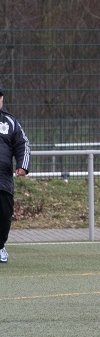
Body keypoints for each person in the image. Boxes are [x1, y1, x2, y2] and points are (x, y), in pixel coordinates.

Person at [0, 88, 30, 264]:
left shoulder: (10, 122)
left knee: (4, 214)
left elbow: (23, 144)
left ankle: (0, 246)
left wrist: (23, 165)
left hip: (3, 178)